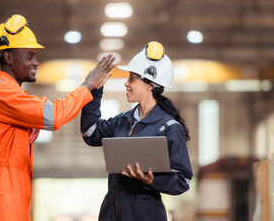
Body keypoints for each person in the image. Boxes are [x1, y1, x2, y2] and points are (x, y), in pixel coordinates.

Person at [0, 14, 116, 221]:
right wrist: (87, 85)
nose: (36, 62)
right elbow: (53, 116)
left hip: (10, 198)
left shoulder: (13, 96)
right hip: (0, 201)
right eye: (29, 56)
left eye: (35, 56)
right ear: (8, 57)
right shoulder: (0, 91)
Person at [80, 41, 193, 221]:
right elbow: (90, 133)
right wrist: (94, 90)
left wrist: (152, 181)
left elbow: (183, 180)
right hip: (112, 213)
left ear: (150, 85)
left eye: (132, 78)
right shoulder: (122, 121)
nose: (126, 83)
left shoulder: (170, 128)